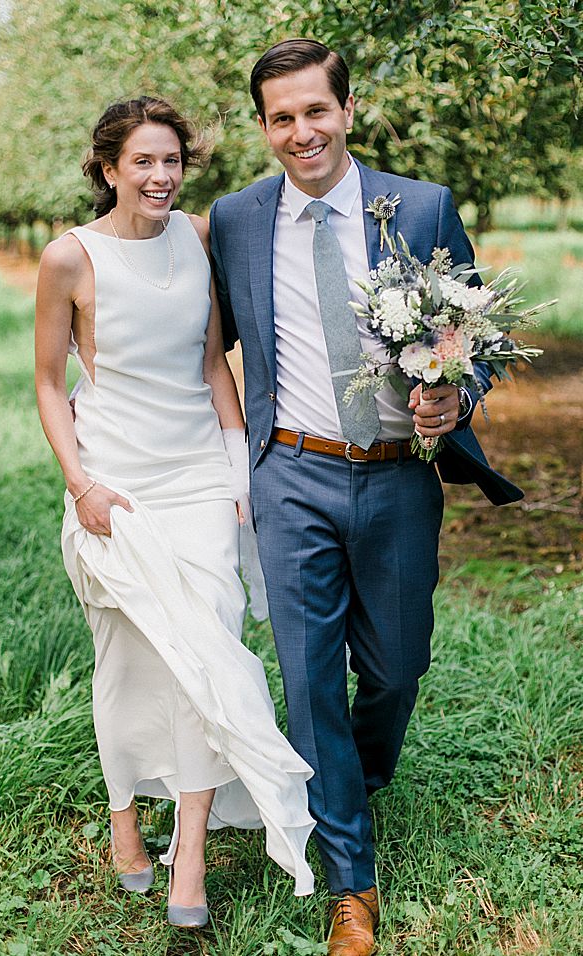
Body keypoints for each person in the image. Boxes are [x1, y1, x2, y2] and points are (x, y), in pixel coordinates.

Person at [208, 39, 522, 956]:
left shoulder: (418, 207)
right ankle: (352, 881)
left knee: (395, 667)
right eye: (281, 118)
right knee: (308, 683)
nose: (300, 132)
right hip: (291, 474)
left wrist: (456, 391)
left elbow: (481, 338)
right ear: (263, 127)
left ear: (347, 111)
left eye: (315, 111)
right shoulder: (234, 220)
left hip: (396, 474)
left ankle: (357, 769)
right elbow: (203, 342)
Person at [33, 96, 316, 928]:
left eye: (172, 162)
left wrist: (237, 470)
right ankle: (124, 811)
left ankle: (187, 849)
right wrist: (81, 483)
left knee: (210, 651)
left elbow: (212, 362)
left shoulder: (197, 238)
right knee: (128, 659)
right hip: (113, 483)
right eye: (143, 163)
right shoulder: (68, 259)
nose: (160, 178)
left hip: (197, 477)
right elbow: (50, 383)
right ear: (109, 169)